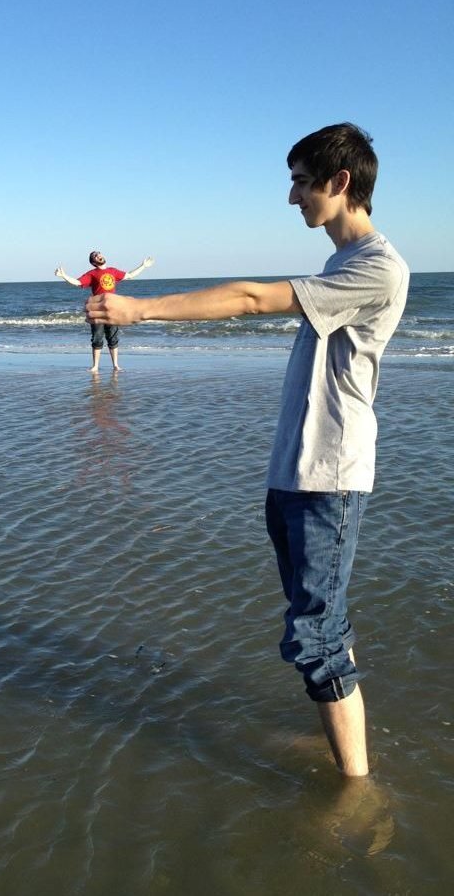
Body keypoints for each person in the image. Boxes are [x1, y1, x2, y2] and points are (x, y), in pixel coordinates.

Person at [85, 123, 409, 778]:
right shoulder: (340, 264)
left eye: (301, 182)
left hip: (330, 476)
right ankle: (339, 732)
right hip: (295, 471)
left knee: (317, 637)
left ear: (340, 182)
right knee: (320, 624)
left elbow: (252, 298)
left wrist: (141, 311)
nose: (293, 197)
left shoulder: (377, 267)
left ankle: (357, 789)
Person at [55, 251, 154, 372]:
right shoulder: (92, 274)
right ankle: (95, 366)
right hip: (97, 310)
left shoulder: (113, 271)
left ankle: (116, 365)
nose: (99, 255)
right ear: (93, 262)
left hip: (112, 310)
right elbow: (78, 282)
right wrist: (64, 276)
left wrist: (143, 266)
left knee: (113, 337)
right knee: (97, 338)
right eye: (95, 256)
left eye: (99, 254)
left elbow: (129, 275)